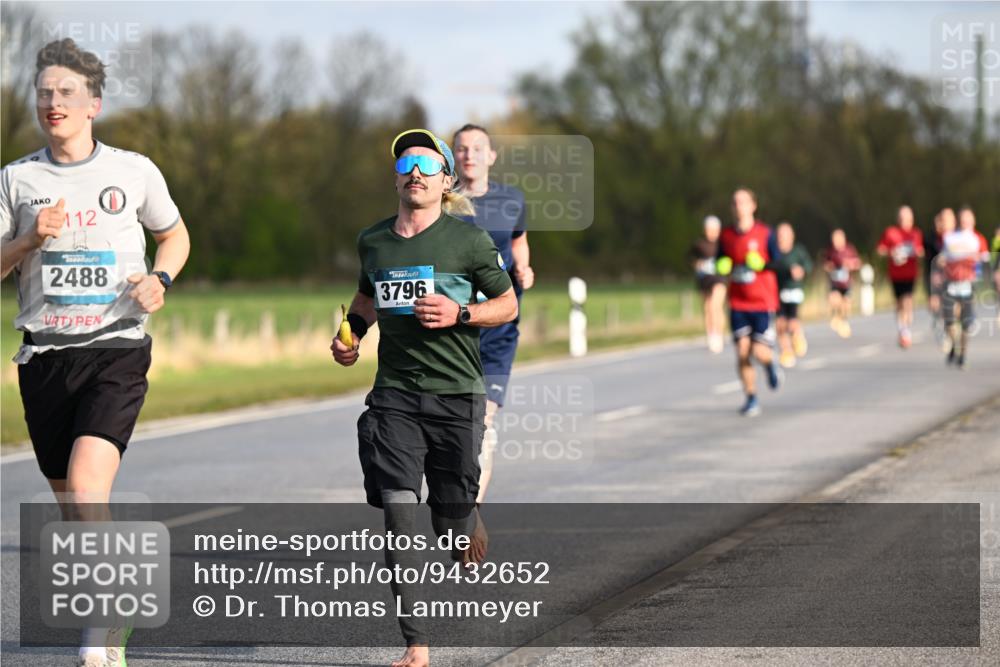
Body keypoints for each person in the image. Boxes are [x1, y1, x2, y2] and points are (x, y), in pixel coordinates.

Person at [0, 39, 190, 667]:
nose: (53, 102)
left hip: (116, 350)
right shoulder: (15, 179)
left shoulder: (134, 171)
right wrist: (28, 241)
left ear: (94, 104)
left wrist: (159, 280)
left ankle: (103, 624)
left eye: (67, 92)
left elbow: (174, 235)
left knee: (86, 487)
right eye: (44, 93)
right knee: (73, 508)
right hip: (44, 358)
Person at [330, 128, 517, 667]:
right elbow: (366, 297)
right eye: (406, 164)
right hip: (395, 396)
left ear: (445, 181)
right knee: (398, 513)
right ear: (396, 178)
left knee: (452, 528)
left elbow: (507, 305)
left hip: (456, 395)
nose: (415, 172)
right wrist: (350, 335)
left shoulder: (469, 242)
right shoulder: (374, 240)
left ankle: (465, 514)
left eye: (428, 165)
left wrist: (462, 313)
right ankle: (416, 643)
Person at [451, 124, 533, 503]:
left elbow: (519, 241)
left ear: (491, 156)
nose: (470, 154)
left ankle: (471, 511)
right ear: (454, 156)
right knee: (454, 424)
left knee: (482, 420)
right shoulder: (442, 203)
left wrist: (525, 269)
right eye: (462, 148)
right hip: (454, 331)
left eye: (477, 148)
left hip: (499, 328)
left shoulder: (511, 200)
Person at [715, 188, 782, 417]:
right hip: (738, 303)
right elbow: (720, 260)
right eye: (735, 202)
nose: (739, 206)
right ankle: (751, 397)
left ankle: (770, 365)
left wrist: (762, 264)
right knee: (742, 352)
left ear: (753, 206)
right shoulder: (726, 236)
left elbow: (778, 263)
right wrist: (722, 265)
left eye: (743, 202)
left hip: (762, 302)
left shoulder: (765, 233)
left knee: (759, 351)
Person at [938, 207, 988, 369]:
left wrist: (976, 267)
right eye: (963, 218)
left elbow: (985, 260)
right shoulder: (950, 237)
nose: (965, 221)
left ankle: (963, 355)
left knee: (966, 323)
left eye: (968, 218)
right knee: (950, 320)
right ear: (959, 220)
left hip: (968, 284)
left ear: (973, 220)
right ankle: (954, 345)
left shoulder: (978, 238)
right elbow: (942, 257)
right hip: (951, 283)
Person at [877, 205, 924, 348]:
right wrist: (892, 252)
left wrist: (917, 252)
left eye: (908, 218)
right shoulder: (891, 232)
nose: (905, 221)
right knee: (899, 303)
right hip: (895, 274)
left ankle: (905, 331)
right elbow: (880, 250)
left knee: (907, 301)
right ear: (898, 219)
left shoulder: (916, 233)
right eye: (903, 218)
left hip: (910, 273)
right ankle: (902, 328)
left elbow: (921, 251)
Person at [771, 222, 813, 368]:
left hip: (794, 290)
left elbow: (808, 266)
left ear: (791, 236)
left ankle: (797, 336)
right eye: (780, 234)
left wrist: (801, 271)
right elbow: (769, 265)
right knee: (779, 324)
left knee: (791, 323)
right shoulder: (774, 252)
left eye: (785, 234)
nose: (782, 237)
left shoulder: (798, 251)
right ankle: (786, 352)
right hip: (777, 292)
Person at [689, 215, 727, 353]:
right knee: (707, 307)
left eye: (714, 230)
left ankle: (719, 333)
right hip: (704, 279)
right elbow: (690, 258)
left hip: (719, 278)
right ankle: (711, 335)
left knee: (715, 305)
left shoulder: (723, 244)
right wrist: (697, 264)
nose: (711, 233)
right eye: (708, 230)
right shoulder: (699, 244)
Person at [821, 229, 862, 338]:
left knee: (846, 305)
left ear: (843, 239)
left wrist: (850, 265)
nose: (835, 242)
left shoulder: (849, 249)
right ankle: (837, 318)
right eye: (833, 239)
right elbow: (825, 264)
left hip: (846, 283)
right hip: (835, 283)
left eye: (837, 239)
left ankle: (842, 320)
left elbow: (858, 263)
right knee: (834, 300)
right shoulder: (830, 251)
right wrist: (829, 267)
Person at [926, 209, 955, 347]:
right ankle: (941, 327)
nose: (944, 224)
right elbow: (929, 262)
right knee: (938, 306)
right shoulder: (933, 239)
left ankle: (951, 331)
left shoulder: (959, 238)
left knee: (953, 309)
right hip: (937, 280)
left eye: (947, 220)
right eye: (942, 220)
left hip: (955, 279)